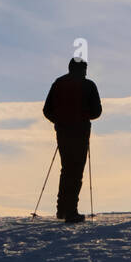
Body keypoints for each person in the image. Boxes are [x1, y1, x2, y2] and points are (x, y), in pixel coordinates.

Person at [42, 57, 102, 223]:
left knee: (66, 168)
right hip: (81, 132)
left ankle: (62, 209)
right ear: (82, 69)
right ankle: (70, 211)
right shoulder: (89, 85)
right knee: (76, 171)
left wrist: (59, 121)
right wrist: (83, 116)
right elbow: (97, 112)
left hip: (63, 132)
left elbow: (47, 110)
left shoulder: (59, 83)